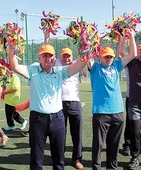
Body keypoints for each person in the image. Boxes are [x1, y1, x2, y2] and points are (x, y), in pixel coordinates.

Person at [8, 41, 88, 170]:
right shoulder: (32, 70)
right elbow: (14, 66)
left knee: (59, 160)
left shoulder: (60, 71)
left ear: (54, 58)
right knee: (36, 160)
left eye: (50, 56)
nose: (47, 58)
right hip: (38, 120)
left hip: (58, 119)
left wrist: (85, 47)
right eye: (44, 56)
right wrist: (11, 50)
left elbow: (80, 64)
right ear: (39, 58)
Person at [86, 30, 136, 170]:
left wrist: (131, 36)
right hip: (101, 113)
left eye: (111, 57)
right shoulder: (95, 68)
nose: (109, 59)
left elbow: (133, 54)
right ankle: (96, 167)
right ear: (100, 57)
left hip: (118, 113)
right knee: (98, 145)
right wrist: (88, 39)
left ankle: (111, 168)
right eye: (106, 57)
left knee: (114, 145)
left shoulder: (116, 66)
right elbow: (87, 55)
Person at [55, 48, 83, 169]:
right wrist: (46, 35)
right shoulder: (56, 65)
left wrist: (83, 38)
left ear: (72, 57)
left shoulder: (76, 64)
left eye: (68, 56)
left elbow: (84, 55)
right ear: (60, 57)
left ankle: (76, 159)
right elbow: (48, 46)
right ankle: (60, 158)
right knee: (61, 133)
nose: (66, 59)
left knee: (77, 133)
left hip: (75, 103)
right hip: (59, 104)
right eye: (64, 56)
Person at [120, 43, 141, 169]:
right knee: (135, 131)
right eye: (139, 51)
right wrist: (128, 35)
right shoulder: (132, 63)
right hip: (134, 103)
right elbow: (122, 51)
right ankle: (135, 157)